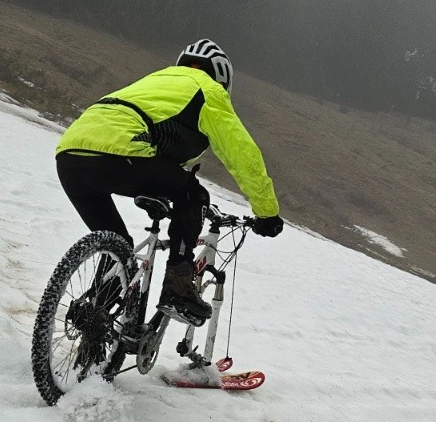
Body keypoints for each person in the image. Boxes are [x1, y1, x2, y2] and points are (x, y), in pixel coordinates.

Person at [55, 39, 283, 325]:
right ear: (223, 77)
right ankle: (177, 290)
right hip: (123, 154)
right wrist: (267, 212)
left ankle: (96, 317)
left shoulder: (156, 80)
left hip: (69, 156)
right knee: (192, 194)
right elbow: (243, 155)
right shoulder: (208, 90)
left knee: (119, 245)